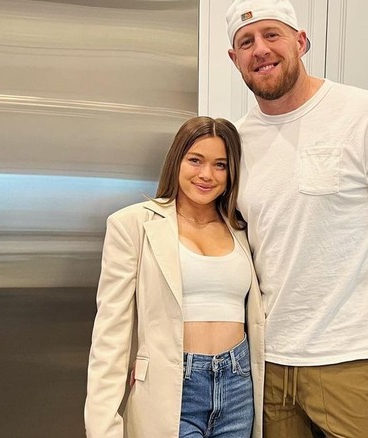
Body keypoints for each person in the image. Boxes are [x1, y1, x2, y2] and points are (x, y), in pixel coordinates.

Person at [224, 0, 368, 437]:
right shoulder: (238, 141)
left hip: (355, 363)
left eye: (272, 35)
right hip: (269, 365)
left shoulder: (367, 115)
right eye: (246, 42)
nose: (260, 49)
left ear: (301, 42)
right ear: (235, 60)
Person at [84, 116, 264, 438]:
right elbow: (110, 335)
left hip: (238, 387)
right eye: (195, 160)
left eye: (220, 165)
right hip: (173, 388)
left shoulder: (242, 228)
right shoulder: (133, 225)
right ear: (177, 161)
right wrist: (103, 426)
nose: (206, 174)